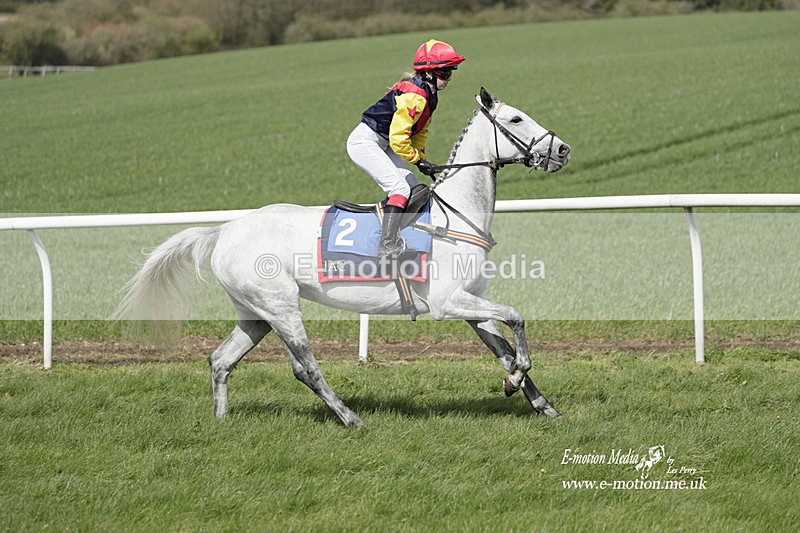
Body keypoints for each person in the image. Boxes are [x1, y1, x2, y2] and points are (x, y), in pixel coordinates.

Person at [346, 39, 465, 258]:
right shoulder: (415, 96)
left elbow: (420, 132)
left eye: (450, 72)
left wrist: (422, 158)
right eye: (444, 73)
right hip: (365, 142)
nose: (449, 78)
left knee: (418, 190)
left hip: (384, 143)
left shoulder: (431, 95)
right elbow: (399, 137)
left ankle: (394, 229)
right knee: (400, 190)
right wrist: (417, 160)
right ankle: (386, 247)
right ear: (428, 73)